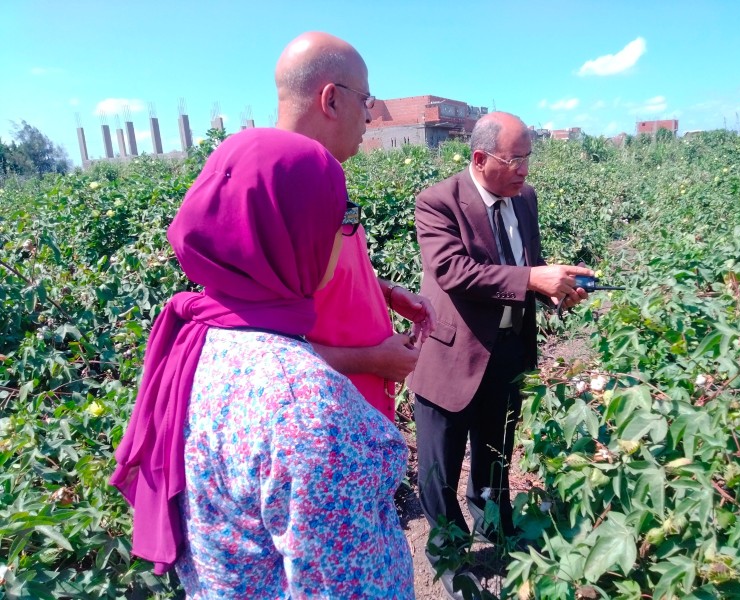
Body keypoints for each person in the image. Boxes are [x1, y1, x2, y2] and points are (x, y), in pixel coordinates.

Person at [110, 128, 414, 598]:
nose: (345, 231)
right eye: (343, 216)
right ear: (298, 231)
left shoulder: (198, 340)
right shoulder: (307, 407)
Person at [408, 112, 593, 597]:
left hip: (508, 353)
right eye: (516, 160)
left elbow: (524, 264)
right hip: (451, 358)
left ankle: (494, 525)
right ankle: (449, 556)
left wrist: (551, 290)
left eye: (529, 158)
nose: (525, 170)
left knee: (495, 456)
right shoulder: (437, 202)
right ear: (479, 158)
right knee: (439, 471)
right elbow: (454, 272)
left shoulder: (523, 199)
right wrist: (531, 279)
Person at [274, 31, 435, 422]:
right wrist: (374, 359)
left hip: (351, 414)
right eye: (365, 100)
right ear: (330, 99)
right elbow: (267, 349)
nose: (369, 115)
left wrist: (386, 292)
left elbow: (320, 275)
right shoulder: (274, 189)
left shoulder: (318, 177)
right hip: (319, 420)